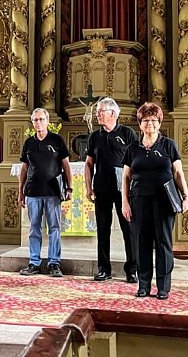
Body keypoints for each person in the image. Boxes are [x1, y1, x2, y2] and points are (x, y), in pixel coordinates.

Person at [121, 102, 188, 299]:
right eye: (145, 120)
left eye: (153, 120)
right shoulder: (132, 148)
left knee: (163, 243)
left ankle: (163, 287)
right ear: (139, 124)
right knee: (141, 242)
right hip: (139, 200)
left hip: (164, 201)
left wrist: (185, 196)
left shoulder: (169, 145)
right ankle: (143, 285)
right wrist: (125, 202)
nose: (149, 123)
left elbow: (178, 172)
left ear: (159, 122)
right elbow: (126, 177)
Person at [84, 97, 138, 282]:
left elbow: (136, 162)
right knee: (102, 230)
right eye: (97, 111)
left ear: (113, 113)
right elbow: (89, 164)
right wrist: (88, 187)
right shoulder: (94, 137)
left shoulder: (128, 134)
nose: (97, 114)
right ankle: (103, 269)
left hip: (124, 191)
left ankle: (132, 269)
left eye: (101, 111)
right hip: (102, 188)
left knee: (128, 230)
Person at [18, 108, 71, 278]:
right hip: (33, 191)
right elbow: (24, 168)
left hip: (53, 191)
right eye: (35, 120)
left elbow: (66, 165)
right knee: (34, 229)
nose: (38, 123)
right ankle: (34, 262)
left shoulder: (57, 140)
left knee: (54, 228)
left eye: (41, 119)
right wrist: (21, 191)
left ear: (48, 121)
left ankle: (54, 263)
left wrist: (69, 187)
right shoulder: (29, 143)